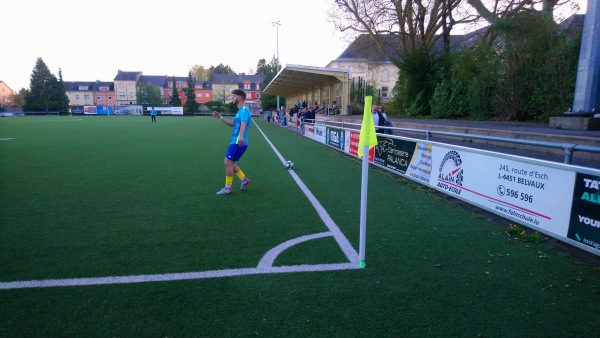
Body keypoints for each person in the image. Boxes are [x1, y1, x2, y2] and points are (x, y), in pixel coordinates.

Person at [212, 89, 251, 195]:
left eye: (233, 96)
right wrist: (220, 117)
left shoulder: (243, 110)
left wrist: (241, 137)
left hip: (238, 142)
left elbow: (243, 123)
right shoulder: (240, 111)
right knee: (229, 163)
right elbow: (232, 124)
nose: (232, 98)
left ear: (238, 98)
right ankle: (244, 179)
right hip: (236, 141)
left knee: (228, 163)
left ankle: (228, 188)